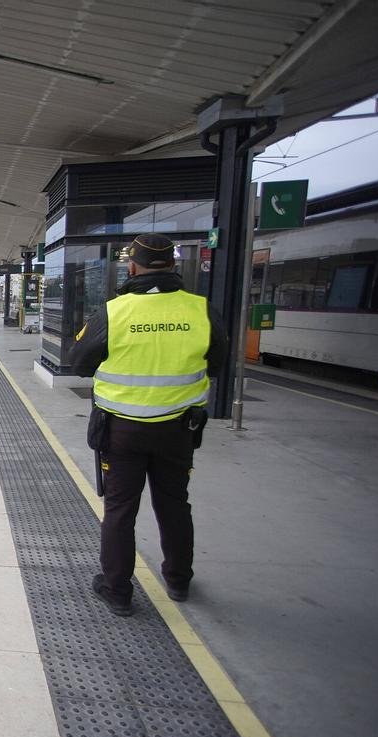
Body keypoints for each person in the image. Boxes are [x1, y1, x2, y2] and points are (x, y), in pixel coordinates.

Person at [68, 233, 228, 616]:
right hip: (178, 430)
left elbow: (80, 362)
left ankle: (118, 590)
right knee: (174, 504)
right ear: (174, 267)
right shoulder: (200, 309)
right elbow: (217, 363)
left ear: (132, 266)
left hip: (123, 430)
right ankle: (178, 580)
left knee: (121, 509)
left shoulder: (115, 311)